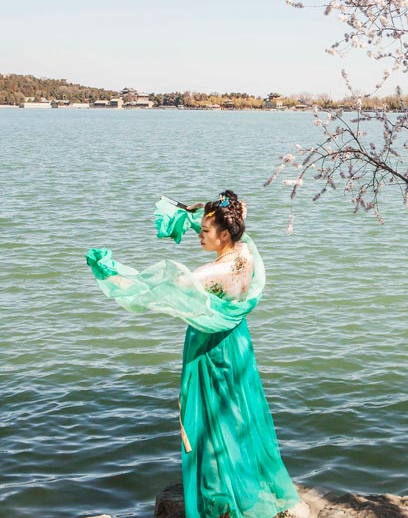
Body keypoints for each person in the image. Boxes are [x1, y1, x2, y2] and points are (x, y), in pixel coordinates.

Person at [86, 191, 303, 518]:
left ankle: (220, 497)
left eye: (204, 232)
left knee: (208, 417)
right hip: (237, 341)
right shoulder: (245, 251)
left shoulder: (213, 273)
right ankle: (245, 481)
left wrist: (110, 273)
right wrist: (193, 210)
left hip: (210, 349)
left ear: (224, 234)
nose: (199, 235)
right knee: (239, 413)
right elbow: (235, 209)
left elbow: (154, 289)